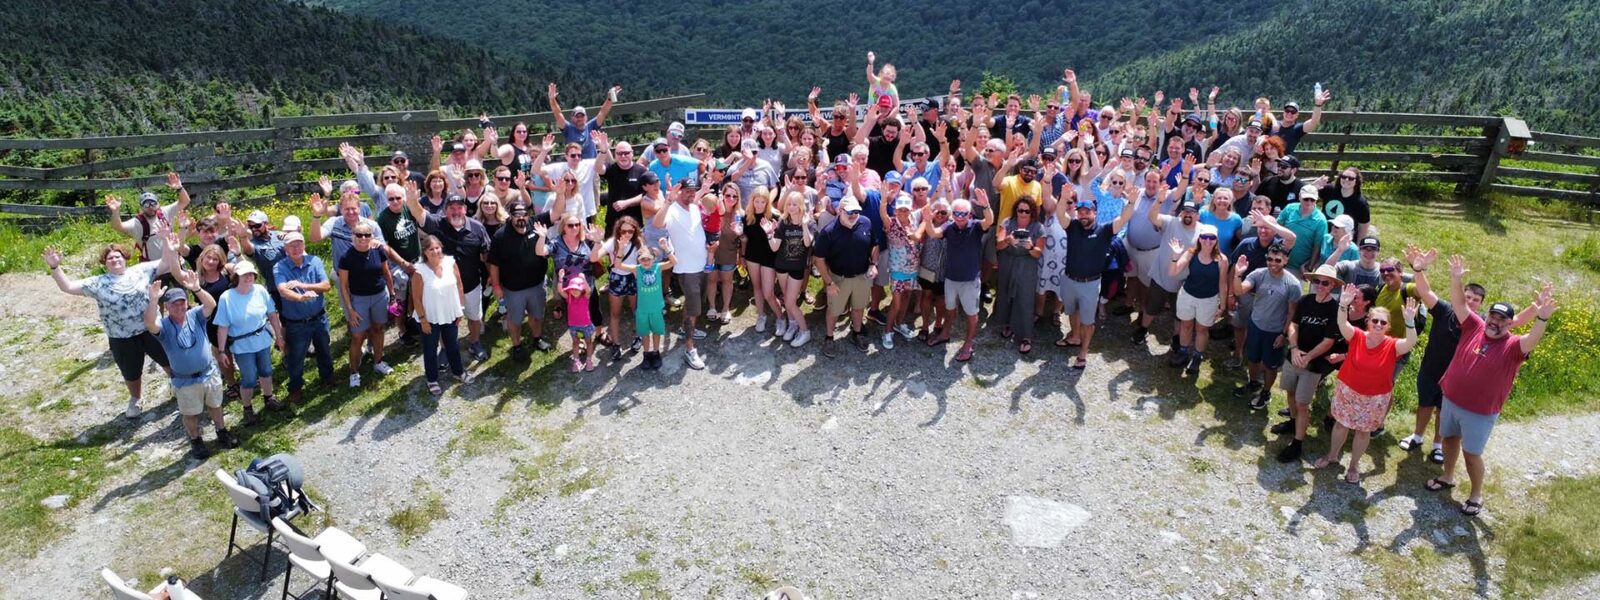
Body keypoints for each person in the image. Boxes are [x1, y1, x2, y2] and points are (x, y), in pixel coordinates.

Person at [1427, 255, 1555, 516]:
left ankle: (1476, 495)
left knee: (1471, 454)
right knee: (1449, 440)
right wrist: (1456, 277)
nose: (1495, 322)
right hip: (1451, 399)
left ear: (1510, 322)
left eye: (1502, 319)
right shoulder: (1474, 325)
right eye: (1493, 316)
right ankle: (1448, 476)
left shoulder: (1513, 346)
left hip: (1480, 411)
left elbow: (1532, 340)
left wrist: (1541, 319)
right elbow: (1459, 304)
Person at [1403, 246, 1540, 464]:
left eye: (1475, 299)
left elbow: (1513, 322)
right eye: (1467, 296)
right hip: (1431, 369)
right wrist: (1418, 270)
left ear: (1481, 304)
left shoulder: (1484, 323)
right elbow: (1426, 292)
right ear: (1461, 295)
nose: (1470, 301)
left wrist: (1536, 310)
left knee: (1442, 411)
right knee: (1424, 405)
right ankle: (1417, 436)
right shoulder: (1445, 310)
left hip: (1455, 380)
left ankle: (1438, 445)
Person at [44, 241, 176, 419]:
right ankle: (136, 398)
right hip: (120, 336)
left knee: (167, 358)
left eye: (118, 256)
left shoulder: (141, 270)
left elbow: (166, 262)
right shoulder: (98, 282)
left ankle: (177, 384)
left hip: (150, 328)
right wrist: (55, 267)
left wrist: (167, 241)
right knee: (130, 371)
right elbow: (67, 287)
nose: (114, 259)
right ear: (104, 262)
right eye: (110, 258)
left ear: (125, 258)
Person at [1316, 285, 1420, 484]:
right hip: (1348, 391)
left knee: (1363, 432)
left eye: (1383, 322)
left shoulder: (1393, 345)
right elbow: (1341, 323)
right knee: (1341, 424)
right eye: (1375, 321)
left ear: (1388, 326)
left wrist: (1409, 322)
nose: (1378, 324)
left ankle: (1354, 465)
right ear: (1368, 322)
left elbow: (1411, 342)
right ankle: (1332, 455)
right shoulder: (1357, 336)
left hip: (1375, 397)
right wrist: (1343, 305)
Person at [144, 273, 239, 459]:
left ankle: (221, 432)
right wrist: (153, 300)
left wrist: (196, 288)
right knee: (190, 413)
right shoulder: (163, 326)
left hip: (208, 373)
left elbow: (211, 305)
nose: (179, 307)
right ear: (168, 307)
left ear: (187, 303)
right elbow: (149, 323)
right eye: (174, 304)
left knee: (216, 405)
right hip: (184, 380)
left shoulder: (195, 315)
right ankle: (196, 441)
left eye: (182, 302)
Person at [1058, 173, 1139, 369]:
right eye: (1081, 212)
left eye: (1087, 212)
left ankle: (1083, 352)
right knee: (1071, 312)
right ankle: (1074, 336)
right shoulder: (1073, 226)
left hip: (1090, 284)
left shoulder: (1104, 230)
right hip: (1069, 280)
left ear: (1095, 212)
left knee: (1088, 321)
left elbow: (1124, 218)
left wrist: (1131, 203)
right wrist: (1063, 198)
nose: (1083, 215)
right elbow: (1061, 214)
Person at [409, 192, 492, 362]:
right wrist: (411, 199)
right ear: (445, 211)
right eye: (451, 208)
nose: (456, 211)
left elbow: (486, 254)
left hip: (471, 283)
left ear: (465, 209)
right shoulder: (437, 224)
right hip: (444, 287)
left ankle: (475, 342)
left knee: (475, 317)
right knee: (444, 319)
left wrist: (492, 275)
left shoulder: (477, 227)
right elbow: (419, 213)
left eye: (459, 207)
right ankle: (445, 348)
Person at [1272, 265, 1342, 463]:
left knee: (1303, 403)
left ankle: (1297, 443)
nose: (1320, 285)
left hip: (1314, 364)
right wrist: (1294, 349)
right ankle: (1293, 423)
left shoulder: (1335, 309)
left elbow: (1328, 341)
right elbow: (1294, 325)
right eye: (1317, 281)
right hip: (1294, 356)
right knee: (1290, 392)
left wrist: (1307, 357)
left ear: (1333, 286)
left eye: (1325, 282)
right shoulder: (1305, 300)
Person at [927, 191, 998, 362]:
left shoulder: (975, 226)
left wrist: (986, 205)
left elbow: (989, 221)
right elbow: (933, 233)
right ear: (952, 214)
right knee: (950, 310)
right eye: (956, 213)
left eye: (963, 214)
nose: (959, 217)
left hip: (970, 281)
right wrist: (927, 219)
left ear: (969, 214)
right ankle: (945, 334)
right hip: (951, 279)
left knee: (971, 315)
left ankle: (968, 344)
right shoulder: (949, 227)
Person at [1230, 244, 1302, 411]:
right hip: (1255, 325)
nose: (1273, 263)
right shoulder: (1259, 274)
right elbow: (1239, 291)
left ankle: (1266, 392)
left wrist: (1283, 335)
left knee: (1270, 366)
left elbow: (1292, 313)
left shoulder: (1292, 284)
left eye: (1278, 260)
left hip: (1275, 331)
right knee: (1253, 359)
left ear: (1286, 260)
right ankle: (1253, 383)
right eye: (1269, 259)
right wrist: (1238, 274)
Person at [214, 260, 284, 425]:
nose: (249, 277)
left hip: (262, 340)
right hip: (241, 345)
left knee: (266, 370)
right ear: (236, 277)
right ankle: (247, 409)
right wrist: (222, 351)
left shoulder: (260, 290)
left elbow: (272, 314)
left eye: (251, 274)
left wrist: (279, 336)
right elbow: (222, 326)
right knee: (249, 378)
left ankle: (269, 398)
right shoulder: (227, 298)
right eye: (245, 275)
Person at [813, 193, 880, 358]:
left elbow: (875, 245)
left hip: (862, 277)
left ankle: (856, 334)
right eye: (850, 212)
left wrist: (873, 264)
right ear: (840, 211)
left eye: (856, 212)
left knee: (859, 307)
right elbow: (818, 259)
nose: (854, 216)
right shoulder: (829, 231)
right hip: (838, 278)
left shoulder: (866, 223)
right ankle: (829, 338)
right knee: (834, 310)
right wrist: (828, 283)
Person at [337, 222, 403, 388]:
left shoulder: (378, 251)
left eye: (367, 234)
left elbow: (386, 273)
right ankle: (353, 371)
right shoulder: (346, 257)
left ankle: (378, 361)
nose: (363, 238)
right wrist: (350, 310)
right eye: (359, 235)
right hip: (359, 299)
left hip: (380, 296)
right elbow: (343, 286)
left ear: (372, 236)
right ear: (353, 237)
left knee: (378, 329)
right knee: (358, 336)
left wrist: (392, 294)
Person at [272, 232, 333, 406]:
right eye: (292, 245)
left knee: (324, 348)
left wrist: (302, 285)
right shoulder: (279, 267)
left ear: (304, 245)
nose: (296, 248)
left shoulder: (315, 261)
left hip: (319, 318)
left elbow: (326, 285)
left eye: (299, 244)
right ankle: (296, 388)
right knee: (296, 357)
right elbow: (283, 290)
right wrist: (300, 298)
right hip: (297, 323)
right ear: (285, 249)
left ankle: (327, 377)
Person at [653, 182, 709, 370]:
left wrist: (704, 188)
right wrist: (668, 201)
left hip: (701, 264)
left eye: (692, 191)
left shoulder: (693, 207)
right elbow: (657, 223)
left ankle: (686, 329)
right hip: (686, 268)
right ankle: (689, 349)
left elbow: (698, 198)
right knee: (694, 309)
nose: (690, 194)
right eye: (686, 191)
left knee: (694, 304)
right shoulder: (672, 209)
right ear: (678, 193)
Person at [489, 203, 554, 360]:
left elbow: (557, 211)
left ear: (528, 215)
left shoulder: (536, 225)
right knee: (515, 320)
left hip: (537, 284)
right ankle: (517, 346)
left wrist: (560, 193)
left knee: (537, 315)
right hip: (513, 289)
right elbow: (494, 264)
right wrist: (497, 286)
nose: (520, 218)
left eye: (523, 214)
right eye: (516, 214)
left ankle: (537, 339)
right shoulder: (500, 236)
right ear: (510, 216)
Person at [412, 234, 473, 395]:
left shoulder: (450, 262)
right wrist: (423, 320)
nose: (435, 251)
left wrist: (460, 308)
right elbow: (416, 299)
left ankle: (458, 371)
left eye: (437, 247)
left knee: (452, 344)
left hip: (450, 313)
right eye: (431, 249)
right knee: (430, 349)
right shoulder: (420, 271)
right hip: (429, 316)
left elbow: (459, 284)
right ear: (425, 252)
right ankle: (432, 379)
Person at [1166, 223, 1231, 373]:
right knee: (1186, 326)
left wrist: (1222, 306)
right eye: (1205, 237)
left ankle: (1197, 356)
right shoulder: (1191, 253)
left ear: (1216, 240)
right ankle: (1183, 352)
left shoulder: (1222, 260)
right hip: (1188, 296)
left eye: (1212, 238)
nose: (1208, 241)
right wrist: (1175, 256)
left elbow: (1222, 284)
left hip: (1208, 300)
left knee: (1202, 330)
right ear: (1199, 239)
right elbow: (1172, 272)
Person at [994, 196, 1044, 354]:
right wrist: (1008, 240)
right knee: (1006, 293)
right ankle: (1008, 324)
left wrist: (1030, 247)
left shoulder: (1039, 227)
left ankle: (1026, 335)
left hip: (1027, 264)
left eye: (1026, 211)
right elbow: (999, 246)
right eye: (1020, 210)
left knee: (1025, 298)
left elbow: (1038, 253)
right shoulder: (1008, 223)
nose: (1023, 213)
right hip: (1008, 261)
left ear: (1032, 212)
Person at [615, 240, 676, 370]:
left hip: (656, 308)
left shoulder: (658, 267)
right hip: (642, 309)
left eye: (648, 259)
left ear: (654, 259)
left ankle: (656, 353)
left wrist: (666, 248)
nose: (646, 262)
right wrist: (620, 249)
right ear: (638, 260)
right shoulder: (637, 270)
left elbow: (673, 262)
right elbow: (618, 264)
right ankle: (646, 354)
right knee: (644, 333)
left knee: (656, 331)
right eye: (642, 259)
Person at [107, 173, 191, 263]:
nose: (150, 207)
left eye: (153, 203)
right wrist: (115, 211)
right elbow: (118, 227)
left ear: (158, 204)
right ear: (141, 207)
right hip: (152, 267)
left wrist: (179, 188)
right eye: (146, 204)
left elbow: (185, 201)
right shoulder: (137, 223)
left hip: (174, 261)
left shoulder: (165, 212)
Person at [771, 191, 814, 346]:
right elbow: (775, 247)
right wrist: (769, 234)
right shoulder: (783, 222)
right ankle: (792, 324)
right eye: (789, 204)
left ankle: (804, 331)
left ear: (801, 205)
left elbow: (808, 243)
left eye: (795, 204)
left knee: (790, 303)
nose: (791, 207)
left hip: (797, 268)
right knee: (786, 298)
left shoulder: (808, 221)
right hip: (781, 266)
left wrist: (803, 225)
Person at [879, 192, 922, 349]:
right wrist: (884, 199)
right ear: (896, 210)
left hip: (912, 269)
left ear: (910, 210)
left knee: (906, 298)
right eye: (900, 209)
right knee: (896, 304)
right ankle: (887, 331)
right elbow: (883, 213)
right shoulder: (891, 223)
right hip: (897, 270)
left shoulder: (913, 221)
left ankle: (899, 323)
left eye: (906, 209)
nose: (903, 212)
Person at [601, 217, 644, 360]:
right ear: (618, 230)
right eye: (623, 231)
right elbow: (595, 257)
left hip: (633, 277)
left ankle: (639, 336)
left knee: (636, 309)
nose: (627, 234)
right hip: (617, 278)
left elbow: (645, 258)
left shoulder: (638, 242)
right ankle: (616, 343)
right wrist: (596, 242)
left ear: (635, 231)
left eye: (631, 231)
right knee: (615, 314)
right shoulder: (612, 242)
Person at [741, 188, 782, 336]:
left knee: (768, 293)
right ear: (752, 201)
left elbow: (779, 240)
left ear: (767, 202)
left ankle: (780, 318)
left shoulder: (774, 216)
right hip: (752, 256)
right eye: (756, 201)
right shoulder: (747, 217)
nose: (759, 205)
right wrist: (743, 255)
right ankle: (761, 315)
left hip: (769, 258)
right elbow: (745, 238)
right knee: (756, 287)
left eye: (762, 202)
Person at [548, 83, 619, 159]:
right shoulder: (568, 129)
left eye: (582, 116)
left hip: (591, 164)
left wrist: (610, 98)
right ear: (572, 118)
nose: (579, 118)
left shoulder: (592, 126)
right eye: (577, 116)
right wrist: (552, 100)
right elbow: (558, 114)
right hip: (575, 164)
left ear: (586, 117)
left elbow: (603, 112)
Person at [1279, 184, 1328, 274]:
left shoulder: (1321, 220)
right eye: (1306, 199)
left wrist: (1309, 267)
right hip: (1278, 261)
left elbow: (1317, 246)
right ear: (1299, 197)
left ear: (1316, 200)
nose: (1309, 202)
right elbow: (1277, 227)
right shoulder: (1289, 209)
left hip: (1298, 268)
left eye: (1312, 199)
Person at [1315, 167, 1369, 240]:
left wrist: (1358, 246)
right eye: (1344, 177)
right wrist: (1314, 185)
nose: (1346, 180)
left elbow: (1363, 227)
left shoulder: (1360, 202)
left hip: (1345, 240)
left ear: (1356, 182)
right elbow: (1306, 195)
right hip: (1324, 235)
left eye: (1351, 178)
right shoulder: (1329, 190)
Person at [559, 272, 597, 372]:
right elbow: (560, 290)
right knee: (575, 342)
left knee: (589, 342)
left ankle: (589, 360)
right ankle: (576, 360)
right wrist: (560, 279)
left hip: (586, 325)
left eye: (577, 289)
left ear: (582, 289)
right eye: (572, 289)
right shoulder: (569, 298)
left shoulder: (585, 297)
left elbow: (588, 290)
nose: (574, 291)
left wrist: (584, 279)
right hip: (573, 326)